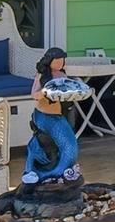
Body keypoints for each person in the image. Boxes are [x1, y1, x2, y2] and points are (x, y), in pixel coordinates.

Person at [21, 46, 86, 188]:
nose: (60, 63)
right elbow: (34, 95)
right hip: (46, 116)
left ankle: (56, 170)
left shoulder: (62, 75)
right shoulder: (43, 75)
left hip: (60, 114)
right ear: (49, 61)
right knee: (70, 147)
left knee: (65, 145)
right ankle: (54, 174)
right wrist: (45, 91)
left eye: (62, 61)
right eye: (57, 61)